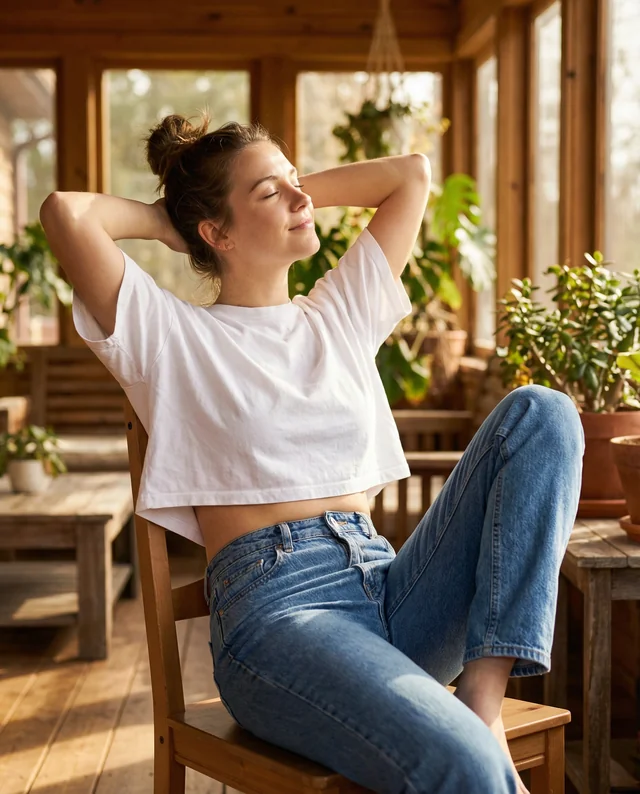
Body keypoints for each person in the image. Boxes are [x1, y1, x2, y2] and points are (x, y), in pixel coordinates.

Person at [39, 114, 583, 794]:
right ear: (216, 233)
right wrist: (170, 219)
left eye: (299, 184)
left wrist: (285, 187)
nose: (301, 201)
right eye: (272, 194)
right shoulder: (171, 339)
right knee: (468, 766)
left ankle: (482, 698)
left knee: (544, 414)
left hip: (388, 589)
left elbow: (409, 175)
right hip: (277, 617)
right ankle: (474, 738)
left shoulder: (338, 315)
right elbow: (66, 213)